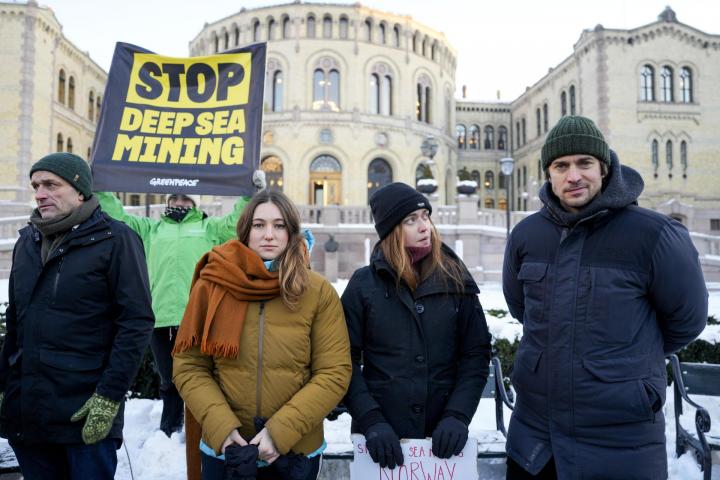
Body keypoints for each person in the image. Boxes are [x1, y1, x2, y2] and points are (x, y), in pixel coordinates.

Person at [502, 115, 708, 479]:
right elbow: (522, 309)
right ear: (548, 173)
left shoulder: (655, 235)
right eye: (561, 165)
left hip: (621, 444)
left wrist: (625, 366)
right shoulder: (526, 235)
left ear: (605, 167)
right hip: (536, 442)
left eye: (585, 163)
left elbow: (687, 321)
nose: (574, 176)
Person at [172, 189, 351, 480]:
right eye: (259, 225)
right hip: (226, 450)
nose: (269, 234)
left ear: (292, 231)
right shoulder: (212, 284)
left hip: (294, 453)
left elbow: (333, 372)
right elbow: (189, 365)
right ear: (245, 231)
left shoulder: (317, 292)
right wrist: (222, 428)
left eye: (279, 225)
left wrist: (280, 433)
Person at [0, 153, 154, 479]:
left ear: (80, 190)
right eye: (36, 186)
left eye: (51, 185)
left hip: (85, 415)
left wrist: (108, 397)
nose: (40, 193)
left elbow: (135, 323)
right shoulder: (27, 241)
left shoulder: (117, 240)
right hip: (30, 416)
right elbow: (16, 320)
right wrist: (5, 386)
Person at [96, 170, 264, 437]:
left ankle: (203, 430)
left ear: (194, 203)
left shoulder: (210, 228)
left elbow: (237, 223)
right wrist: (101, 187)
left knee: (201, 378)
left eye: (185, 199)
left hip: (197, 317)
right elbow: (119, 218)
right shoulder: (150, 229)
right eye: (174, 198)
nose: (179, 203)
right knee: (169, 380)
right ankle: (170, 431)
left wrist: (249, 193)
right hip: (159, 317)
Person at [342, 182, 492, 469]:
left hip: (441, 446)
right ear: (391, 230)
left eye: (425, 216)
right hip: (381, 444)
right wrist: (370, 419)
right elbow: (343, 360)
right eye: (411, 220)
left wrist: (457, 415)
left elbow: (476, 354)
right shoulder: (363, 285)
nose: (425, 226)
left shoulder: (456, 278)